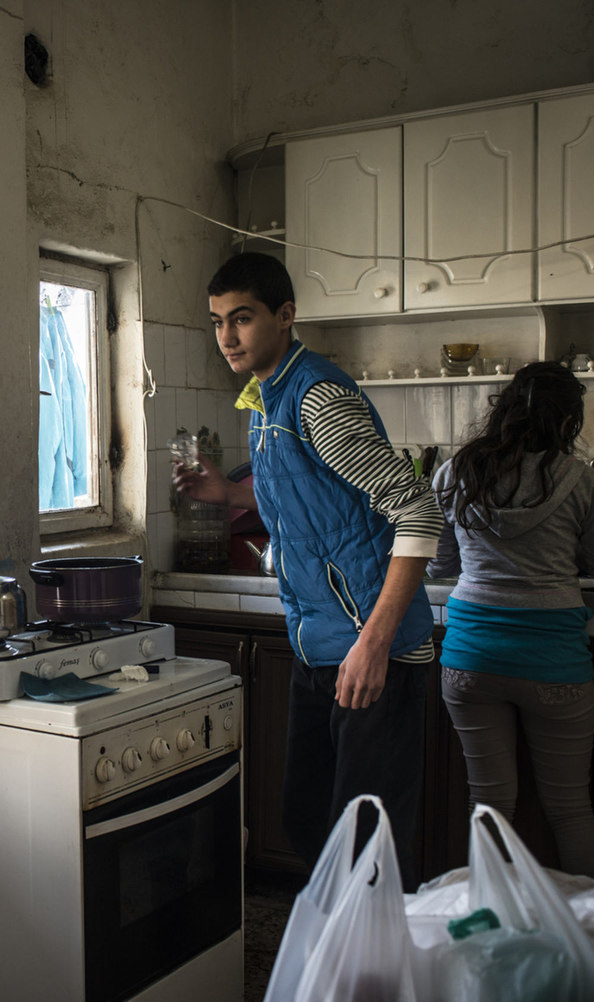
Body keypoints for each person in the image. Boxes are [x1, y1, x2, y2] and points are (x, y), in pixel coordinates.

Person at [173, 252, 442, 886]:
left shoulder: (316, 397)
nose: (227, 337)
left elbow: (419, 513)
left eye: (242, 318)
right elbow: (308, 496)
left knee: (365, 848)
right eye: (217, 322)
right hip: (317, 645)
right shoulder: (265, 399)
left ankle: (371, 974)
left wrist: (373, 644)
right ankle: (340, 964)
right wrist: (229, 494)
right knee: (307, 821)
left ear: (285, 315)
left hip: (374, 651)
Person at [427, 362, 594, 880]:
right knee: (569, 809)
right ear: (567, 423)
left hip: (471, 657)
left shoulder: (455, 472)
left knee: (489, 805)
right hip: (553, 663)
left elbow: (440, 566)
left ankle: (488, 931)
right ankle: (592, 940)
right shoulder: (581, 481)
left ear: (504, 410)